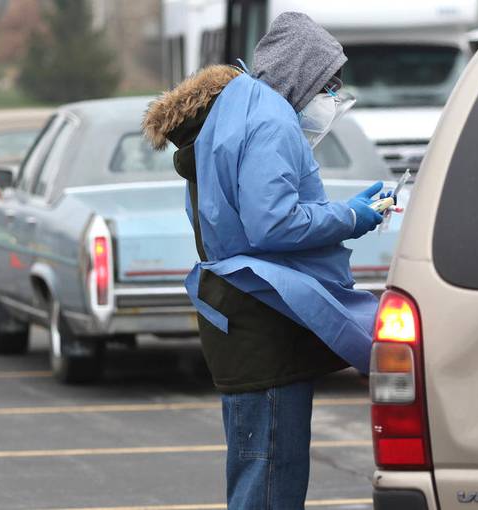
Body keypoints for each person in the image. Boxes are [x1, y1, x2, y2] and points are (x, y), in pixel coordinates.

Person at [143, 12, 387, 510]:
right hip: (262, 326)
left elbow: (251, 213)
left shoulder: (238, 113)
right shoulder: (270, 118)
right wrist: (349, 217)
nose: (334, 99)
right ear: (302, 74)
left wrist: (339, 210)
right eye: (330, 84)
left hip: (243, 316)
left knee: (258, 473)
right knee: (271, 480)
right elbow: (270, 223)